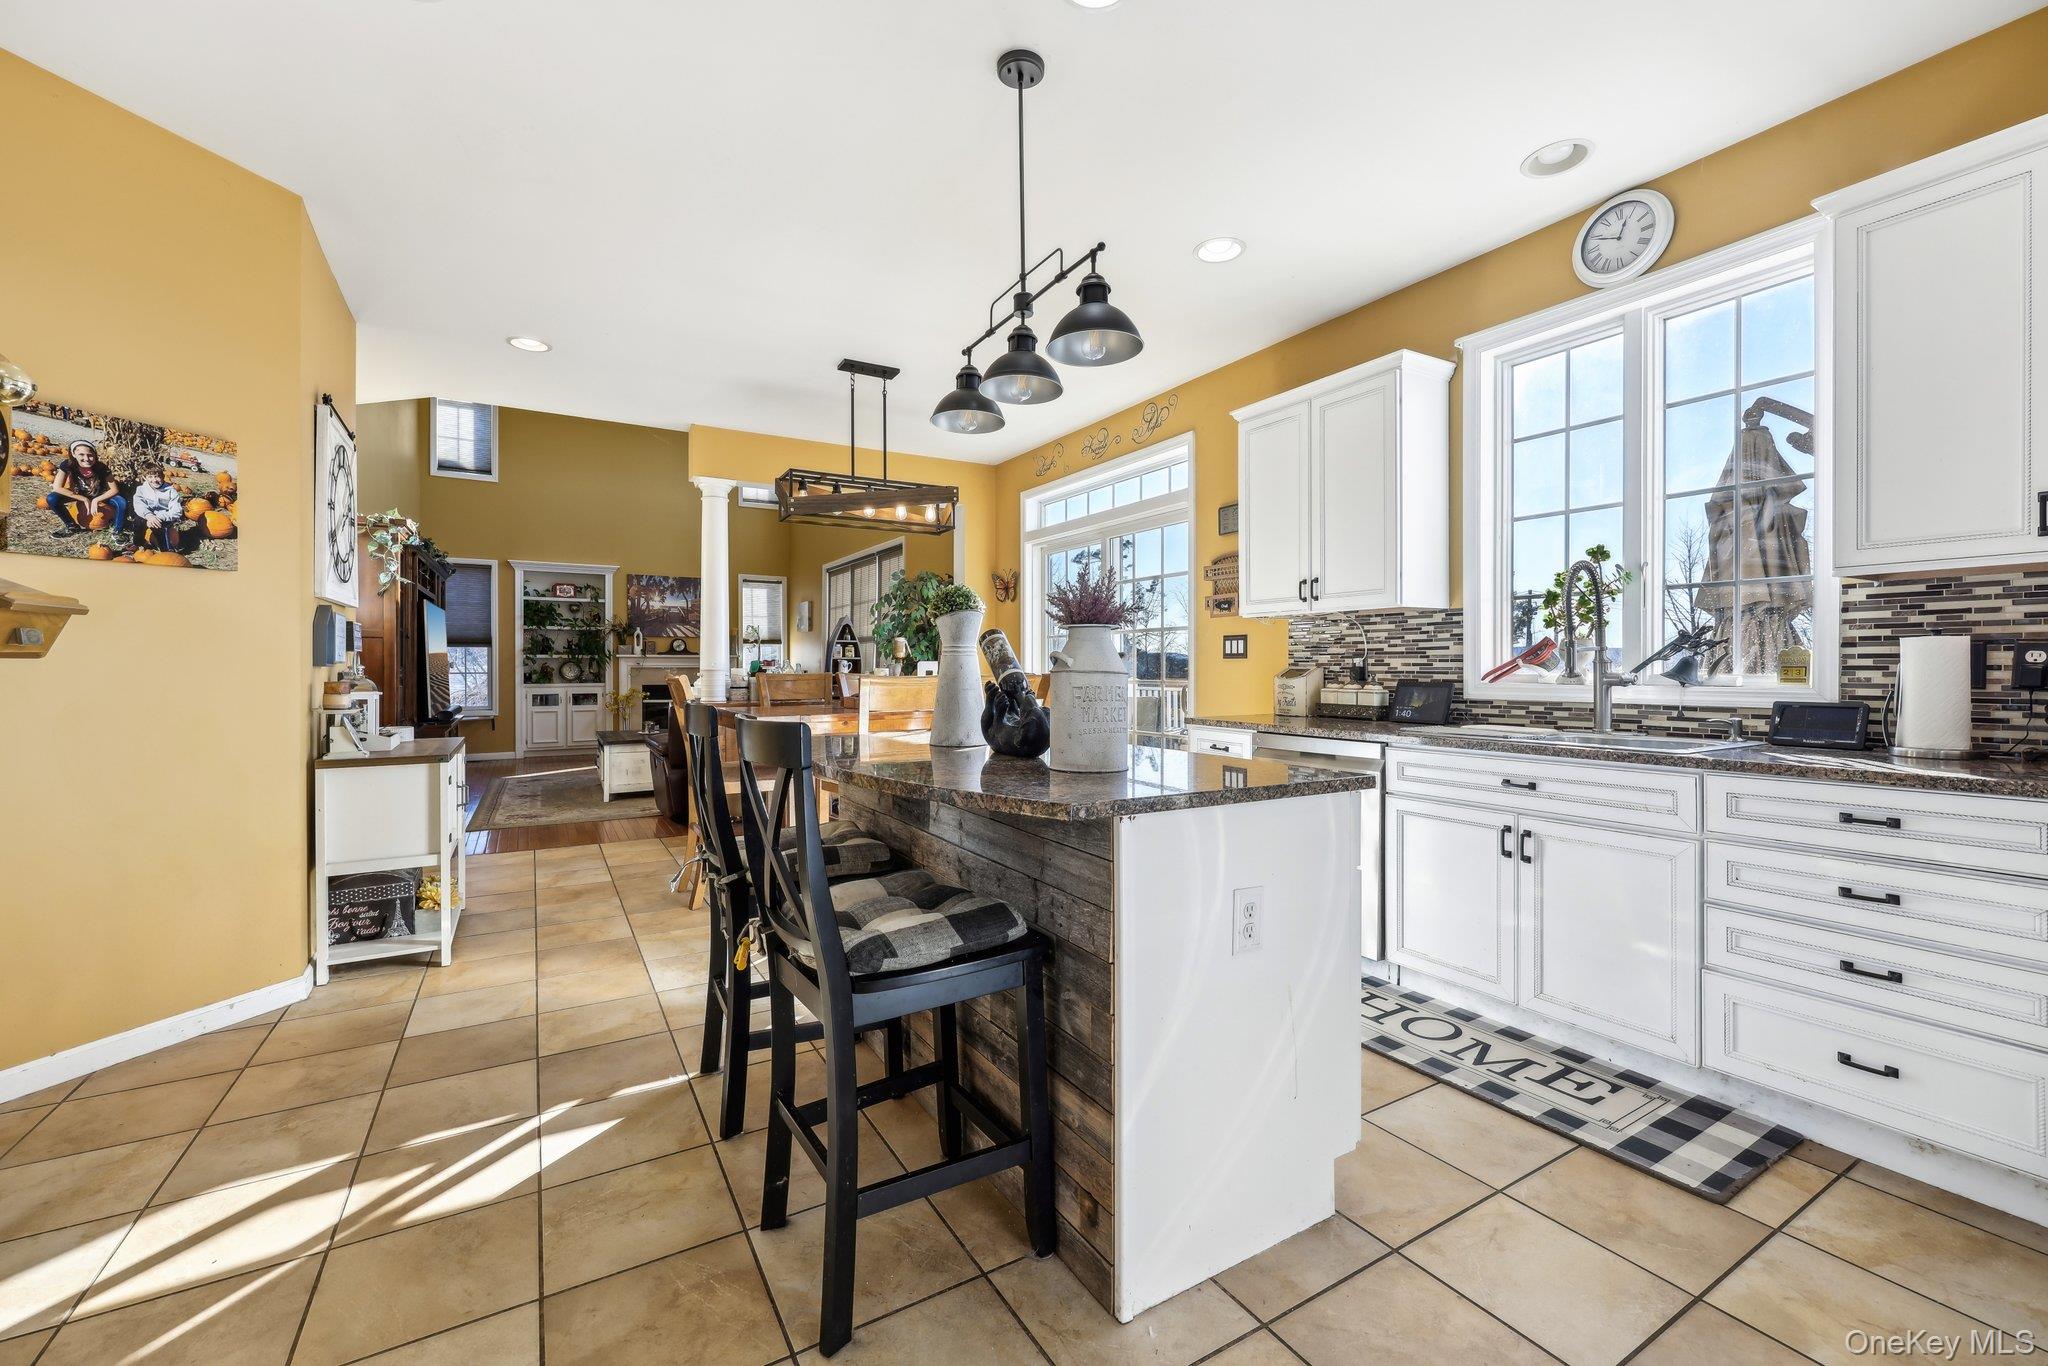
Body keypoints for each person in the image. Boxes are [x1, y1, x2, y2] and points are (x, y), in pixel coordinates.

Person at [40, 440, 126, 539]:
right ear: (73, 454)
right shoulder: (67, 465)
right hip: (78, 494)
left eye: (90, 455)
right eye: (81, 454)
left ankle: (117, 531)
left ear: (95, 455)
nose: (86, 458)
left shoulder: (101, 468)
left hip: (99, 494)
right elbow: (57, 487)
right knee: (52, 498)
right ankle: (71, 526)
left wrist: (96, 499)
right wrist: (83, 498)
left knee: (121, 502)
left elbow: (114, 490)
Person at [131, 460, 184, 552]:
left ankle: (166, 550)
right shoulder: (141, 490)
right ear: (145, 477)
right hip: (147, 516)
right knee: (138, 520)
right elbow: (139, 505)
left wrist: (158, 518)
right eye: (150, 477)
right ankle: (138, 543)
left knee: (159, 527)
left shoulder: (170, 491)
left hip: (164, 518)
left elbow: (177, 511)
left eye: (157, 476)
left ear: (163, 476)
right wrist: (149, 516)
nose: (154, 480)